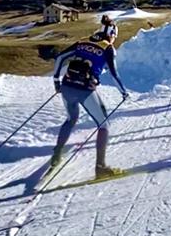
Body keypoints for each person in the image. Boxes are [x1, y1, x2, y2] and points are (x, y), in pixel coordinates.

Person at [51, 30, 129, 179]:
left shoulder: (82, 42)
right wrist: (123, 92)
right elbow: (113, 73)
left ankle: (57, 153)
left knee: (70, 119)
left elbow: (60, 57)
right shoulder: (107, 48)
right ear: (110, 36)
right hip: (85, 90)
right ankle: (100, 167)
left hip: (67, 86)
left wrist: (56, 82)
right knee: (103, 125)